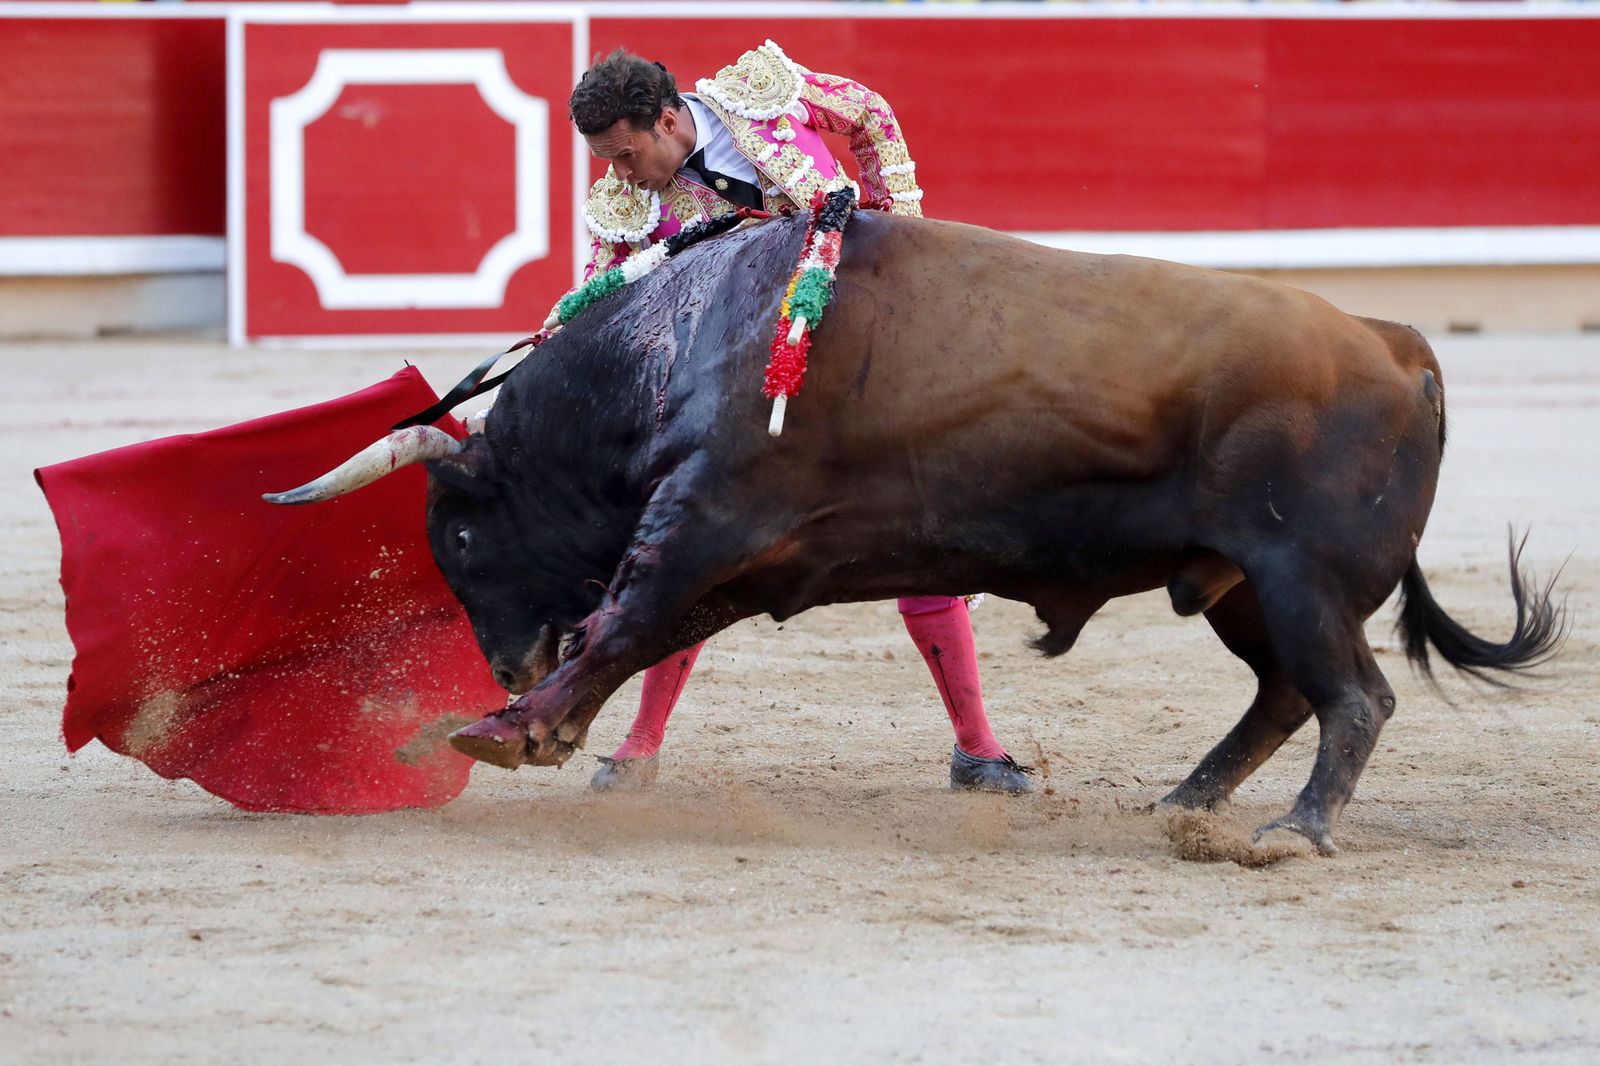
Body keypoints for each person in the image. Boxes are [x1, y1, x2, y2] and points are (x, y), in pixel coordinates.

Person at [548, 43, 1029, 796]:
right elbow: (604, 308)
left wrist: (891, 226)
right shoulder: (625, 209)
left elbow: (869, 114)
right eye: (606, 161)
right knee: (693, 546)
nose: (619, 174)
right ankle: (640, 744)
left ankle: (979, 750)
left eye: (624, 154)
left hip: (865, 352)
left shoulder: (763, 97)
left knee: (922, 534)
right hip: (749, 394)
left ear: (668, 120)